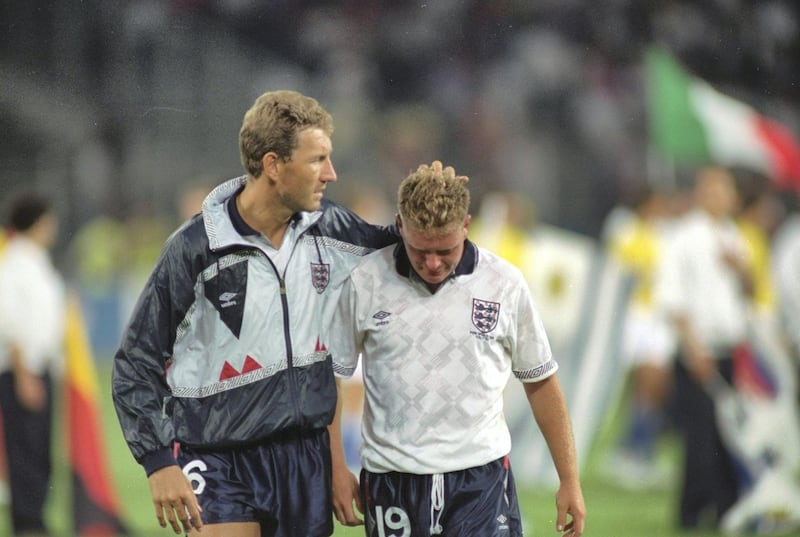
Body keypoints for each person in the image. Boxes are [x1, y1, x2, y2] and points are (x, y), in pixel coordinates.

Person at [111, 90, 399, 537]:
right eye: (317, 160)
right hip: (215, 454)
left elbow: (409, 247)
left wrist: (432, 201)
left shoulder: (331, 229)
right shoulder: (195, 248)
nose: (331, 174)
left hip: (304, 460)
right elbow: (136, 362)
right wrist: (157, 462)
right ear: (273, 164)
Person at [328, 163, 586, 537]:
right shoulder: (365, 281)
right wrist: (337, 466)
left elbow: (542, 382)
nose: (432, 263)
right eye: (420, 250)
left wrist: (570, 480)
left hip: (480, 479)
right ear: (400, 226)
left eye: (445, 250)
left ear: (466, 225)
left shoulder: (504, 284)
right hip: (391, 481)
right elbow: (331, 379)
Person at [654, 165, 753, 530]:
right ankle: (692, 514)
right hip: (699, 350)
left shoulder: (734, 237)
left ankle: (727, 508)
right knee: (700, 438)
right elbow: (672, 298)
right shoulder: (683, 236)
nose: (722, 197)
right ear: (702, 192)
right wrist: (693, 348)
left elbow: (752, 292)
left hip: (730, 349)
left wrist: (741, 268)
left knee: (728, 436)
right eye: (715, 190)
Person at [0, 193, 66, 537]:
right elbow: (9, 324)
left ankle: (36, 517)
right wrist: (24, 373)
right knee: (24, 449)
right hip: (21, 370)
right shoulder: (12, 263)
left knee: (40, 448)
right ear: (38, 222)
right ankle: (26, 523)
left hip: (42, 367)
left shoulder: (38, 261)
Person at [603, 184, 676, 489]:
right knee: (643, 384)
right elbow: (615, 271)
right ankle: (632, 452)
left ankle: (635, 450)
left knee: (657, 387)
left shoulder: (664, 234)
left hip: (659, 316)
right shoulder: (625, 231)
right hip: (633, 316)